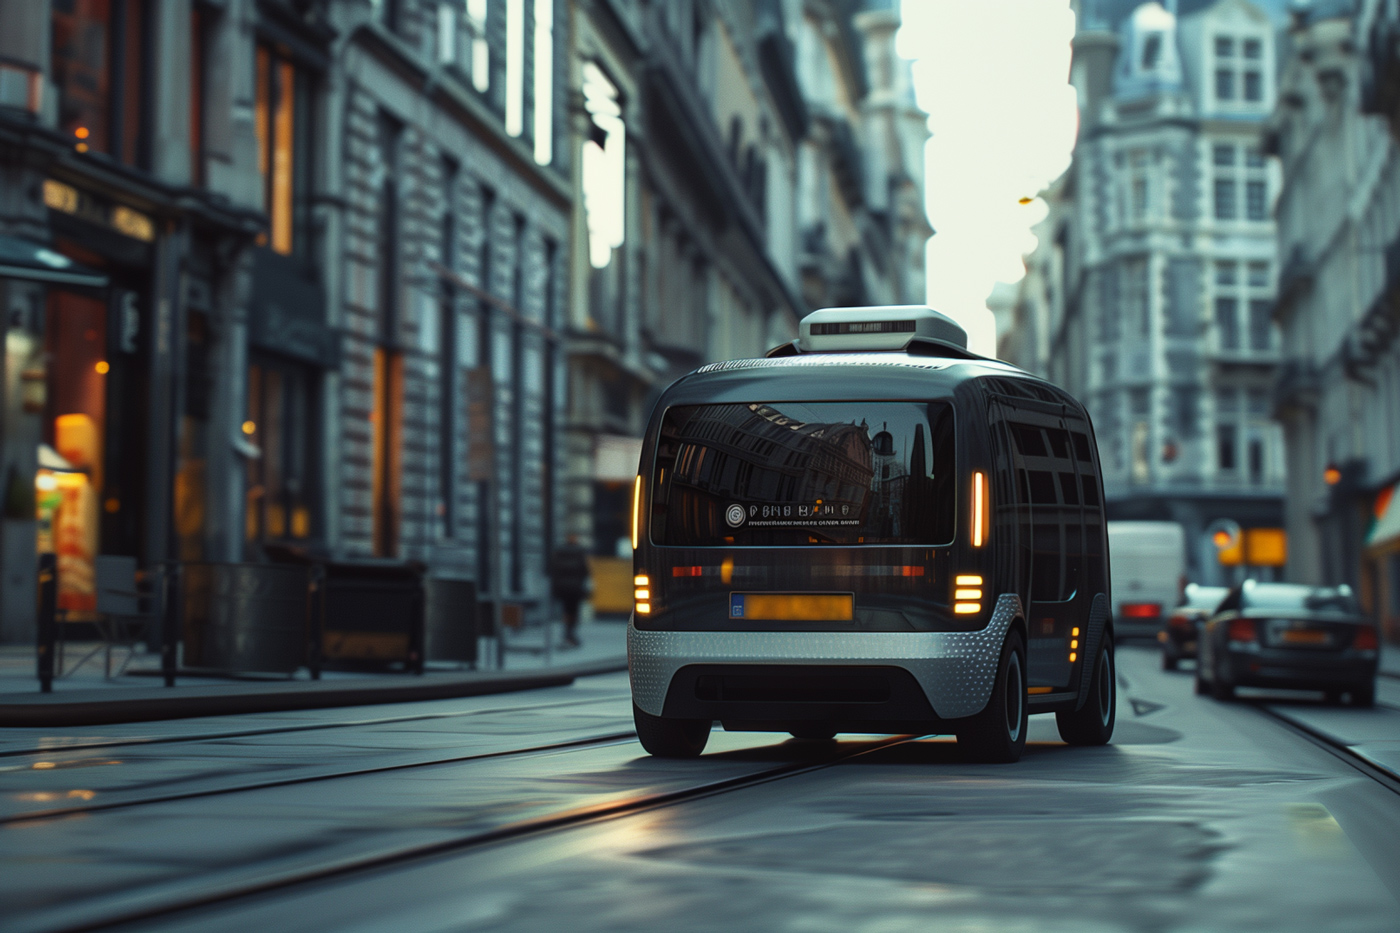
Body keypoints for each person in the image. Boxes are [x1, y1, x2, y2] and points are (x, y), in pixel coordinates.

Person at [550, 535, 591, 648]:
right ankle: (570, 634)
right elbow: (585, 571)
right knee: (574, 612)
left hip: (563, 589)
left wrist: (555, 589)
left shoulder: (559, 552)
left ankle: (567, 633)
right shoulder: (580, 552)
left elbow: (554, 571)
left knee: (566, 611)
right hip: (575, 588)